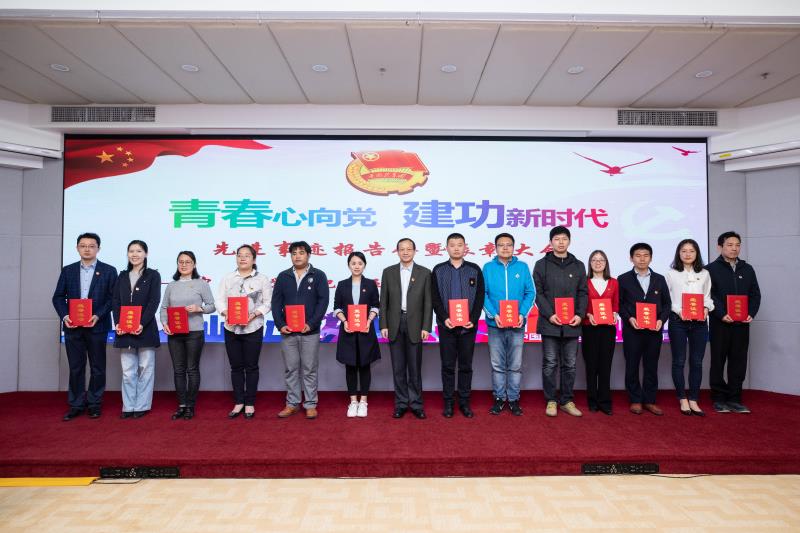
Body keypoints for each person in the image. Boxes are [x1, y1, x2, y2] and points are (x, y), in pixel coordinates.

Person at [52, 233, 118, 421]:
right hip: (73, 327)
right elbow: (58, 297)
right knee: (75, 367)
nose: (87, 249)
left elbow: (112, 299)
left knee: (98, 367)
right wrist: (65, 316)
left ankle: (95, 403)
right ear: (77, 248)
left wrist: (98, 315)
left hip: (97, 326)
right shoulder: (68, 270)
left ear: (98, 248)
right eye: (83, 246)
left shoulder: (109, 271)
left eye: (91, 246)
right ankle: (76, 404)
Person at [533, 226, 588, 417]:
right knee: (550, 363)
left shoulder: (578, 265)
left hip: (572, 323)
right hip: (550, 323)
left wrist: (579, 315)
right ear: (551, 242)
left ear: (569, 241)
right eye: (556, 239)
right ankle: (551, 400)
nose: (561, 242)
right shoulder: (541, 264)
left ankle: (566, 400)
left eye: (564, 239)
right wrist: (549, 314)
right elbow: (538, 293)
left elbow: (583, 292)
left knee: (570, 364)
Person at [271, 241, 329, 420]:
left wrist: (311, 323)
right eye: (294, 253)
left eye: (301, 252)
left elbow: (323, 302)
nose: (297, 256)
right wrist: (280, 324)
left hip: (310, 332)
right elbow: (276, 302)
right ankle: (292, 403)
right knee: (291, 369)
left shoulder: (318, 275)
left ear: (308, 255)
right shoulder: (283, 276)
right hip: (288, 331)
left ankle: (310, 404)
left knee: (309, 369)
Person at [705, 231, 761, 414]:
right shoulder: (710, 269)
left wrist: (751, 313)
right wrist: (721, 314)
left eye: (737, 245)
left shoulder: (748, 269)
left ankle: (735, 398)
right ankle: (719, 398)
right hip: (720, 323)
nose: (734, 248)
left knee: (739, 361)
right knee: (718, 361)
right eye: (729, 245)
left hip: (742, 324)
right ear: (720, 247)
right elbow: (709, 295)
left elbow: (755, 294)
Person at [431, 233, 485, 418]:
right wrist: (444, 317)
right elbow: (435, 297)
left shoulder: (474, 270)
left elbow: (480, 296)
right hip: (446, 326)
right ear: (446, 248)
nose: (456, 248)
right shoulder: (438, 270)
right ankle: (448, 403)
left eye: (459, 244)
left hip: (468, 328)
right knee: (447, 366)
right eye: (452, 245)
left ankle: (464, 402)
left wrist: (474, 318)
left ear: (465, 247)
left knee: (466, 366)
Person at [482, 232, 535, 416]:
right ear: (495, 248)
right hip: (495, 325)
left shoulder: (522, 267)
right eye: (501, 245)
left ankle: (513, 399)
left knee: (515, 365)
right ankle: (499, 398)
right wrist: (494, 314)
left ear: (514, 247)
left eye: (509, 244)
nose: (505, 248)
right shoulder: (488, 268)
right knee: (497, 365)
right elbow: (483, 293)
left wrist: (522, 314)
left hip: (517, 325)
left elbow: (530, 293)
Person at [216, 244, 272, 419]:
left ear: (254, 259)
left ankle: (250, 402)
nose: (242, 258)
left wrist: (254, 315)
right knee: (236, 367)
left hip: (253, 328)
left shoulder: (262, 279)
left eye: (247, 255)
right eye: (239, 255)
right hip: (231, 328)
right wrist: (226, 313)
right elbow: (219, 301)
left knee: (251, 366)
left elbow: (268, 303)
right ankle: (239, 401)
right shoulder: (227, 278)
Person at [379, 238, 433, 419]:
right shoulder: (388, 272)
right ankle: (401, 404)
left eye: (409, 249)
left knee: (415, 368)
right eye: (402, 249)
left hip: (416, 325)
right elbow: (383, 301)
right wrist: (383, 324)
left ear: (415, 251)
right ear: (397, 251)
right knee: (398, 368)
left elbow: (428, 302)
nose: (405, 252)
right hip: (394, 323)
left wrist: (426, 326)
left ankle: (416, 404)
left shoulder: (424, 273)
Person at [160, 251, 216, 420]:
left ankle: (191, 405)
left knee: (192, 369)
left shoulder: (201, 284)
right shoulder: (172, 285)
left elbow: (212, 306)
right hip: (175, 332)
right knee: (178, 370)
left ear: (194, 264)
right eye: (181, 262)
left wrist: (199, 309)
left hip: (194, 332)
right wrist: (164, 323)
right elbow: (164, 308)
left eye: (188, 262)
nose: (184, 265)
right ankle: (182, 405)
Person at [618, 243, 671, 416]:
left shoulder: (659, 279)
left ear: (651, 258)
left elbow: (667, 304)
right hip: (632, 330)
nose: (642, 259)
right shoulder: (623, 279)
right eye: (638, 255)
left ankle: (649, 400)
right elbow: (619, 304)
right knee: (632, 365)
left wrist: (661, 320)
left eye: (646, 255)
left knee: (651, 365)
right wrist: (629, 318)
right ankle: (635, 399)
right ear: (631, 258)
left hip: (654, 331)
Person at [112, 240, 162, 419]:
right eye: (131, 251)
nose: (135, 254)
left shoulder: (153, 275)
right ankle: (128, 406)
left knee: (146, 369)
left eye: (139, 251)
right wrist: (118, 323)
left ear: (145, 254)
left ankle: (142, 405)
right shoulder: (122, 276)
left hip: (145, 329)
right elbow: (116, 301)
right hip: (124, 330)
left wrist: (141, 323)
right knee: (128, 371)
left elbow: (154, 302)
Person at [666, 239, 713, 417]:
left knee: (697, 361)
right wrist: (680, 311)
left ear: (697, 253)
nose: (687, 254)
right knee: (679, 360)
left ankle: (693, 398)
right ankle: (682, 398)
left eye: (691, 251)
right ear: (678, 253)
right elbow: (667, 299)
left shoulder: (705, 273)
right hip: (678, 321)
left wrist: (706, 308)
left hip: (700, 322)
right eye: (684, 251)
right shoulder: (671, 274)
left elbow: (708, 296)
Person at [332, 252, 380, 418]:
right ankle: (353, 401)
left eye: (360, 263)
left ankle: (363, 401)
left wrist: (369, 321)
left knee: (365, 366)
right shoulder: (342, 285)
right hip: (348, 331)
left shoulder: (371, 284)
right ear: (349, 265)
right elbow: (337, 307)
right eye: (353, 263)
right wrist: (345, 321)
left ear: (364, 265)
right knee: (350, 366)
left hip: (366, 330)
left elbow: (376, 305)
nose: (357, 266)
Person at [582, 250, 619, 415]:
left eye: (601, 260)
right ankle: (592, 400)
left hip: (608, 329)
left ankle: (605, 401)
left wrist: (615, 314)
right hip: (589, 328)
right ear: (590, 263)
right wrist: (587, 314)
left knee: (605, 365)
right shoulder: (584, 282)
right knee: (591, 365)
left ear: (606, 263)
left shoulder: (614, 282)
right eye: (594, 260)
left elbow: (616, 304)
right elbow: (580, 304)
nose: (598, 263)